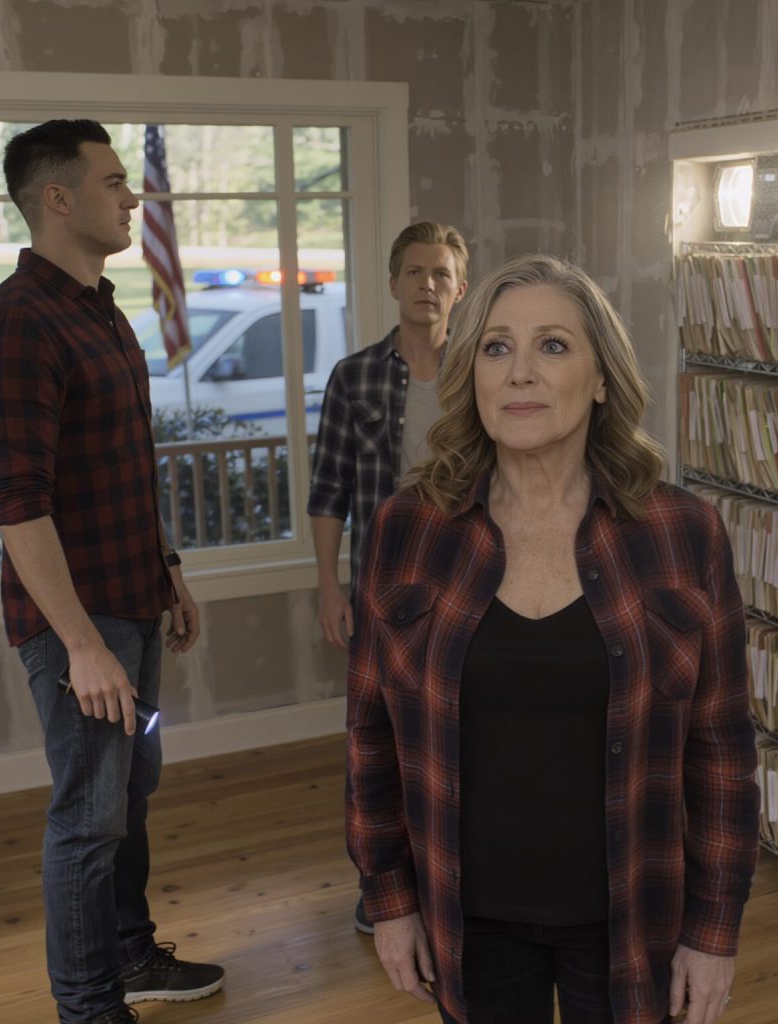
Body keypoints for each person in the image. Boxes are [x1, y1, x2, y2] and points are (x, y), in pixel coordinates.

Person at [346, 254, 760, 1024]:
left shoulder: (681, 532)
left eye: (554, 346)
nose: (520, 373)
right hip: (470, 923)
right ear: (471, 375)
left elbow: (722, 749)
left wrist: (714, 932)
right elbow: (371, 736)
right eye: (497, 347)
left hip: (633, 918)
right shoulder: (407, 530)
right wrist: (390, 900)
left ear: (602, 379)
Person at [0, 120, 224, 1024]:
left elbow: (124, 464)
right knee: (88, 816)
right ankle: (88, 1007)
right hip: (80, 631)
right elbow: (17, 504)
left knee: (129, 793)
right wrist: (81, 646)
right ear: (58, 198)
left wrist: (169, 570)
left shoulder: (102, 311)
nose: (132, 198)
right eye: (114, 183)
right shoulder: (15, 323)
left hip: (133, 604)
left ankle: (128, 955)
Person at [307, 220, 468, 934]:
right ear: (394, 282)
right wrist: (328, 586)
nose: (427, 284)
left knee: (460, 731)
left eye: (441, 273)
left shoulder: (485, 371)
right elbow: (328, 489)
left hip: (471, 579)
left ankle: (453, 879)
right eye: (415, 272)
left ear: (460, 287)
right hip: (382, 584)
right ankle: (382, 886)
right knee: (378, 734)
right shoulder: (355, 376)